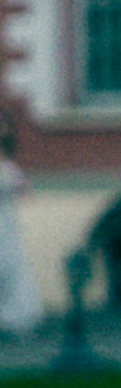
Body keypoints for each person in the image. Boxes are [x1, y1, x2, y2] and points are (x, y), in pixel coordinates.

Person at [0, 116, 41, 339]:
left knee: (10, 266)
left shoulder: (8, 161)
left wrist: (21, 185)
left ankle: (14, 319)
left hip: (5, 220)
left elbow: (22, 188)